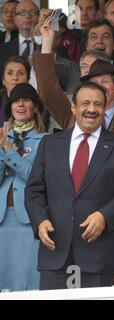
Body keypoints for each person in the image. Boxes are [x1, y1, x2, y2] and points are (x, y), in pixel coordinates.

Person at [25, 81, 114, 290]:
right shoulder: (50, 144)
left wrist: (104, 216)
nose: (91, 109)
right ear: (74, 107)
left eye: (98, 104)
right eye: (85, 103)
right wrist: (40, 220)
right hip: (55, 251)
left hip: (97, 254)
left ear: (105, 108)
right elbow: (34, 190)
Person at [0, 83, 46, 291]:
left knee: (26, 280)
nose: (20, 105)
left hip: (29, 218)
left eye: (26, 100)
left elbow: (37, 178)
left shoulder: (45, 141)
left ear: (35, 107)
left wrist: (10, 154)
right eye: (15, 101)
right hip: (2, 219)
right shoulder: (2, 139)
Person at [0, 0, 39, 73]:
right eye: (22, 13)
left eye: (32, 12)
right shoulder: (2, 49)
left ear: (39, 17)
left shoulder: (48, 46)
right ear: (15, 19)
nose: (28, 16)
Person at [0, 56, 31, 127]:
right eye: (10, 73)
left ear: (28, 80)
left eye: (20, 73)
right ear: (3, 80)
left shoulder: (36, 104)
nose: (15, 78)